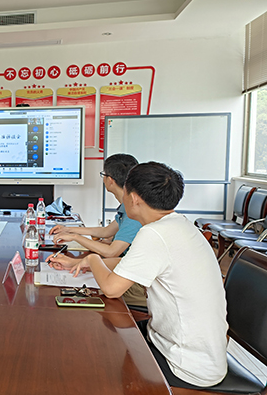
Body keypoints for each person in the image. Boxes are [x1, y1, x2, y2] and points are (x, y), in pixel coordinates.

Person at [47, 162, 227, 388]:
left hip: (184, 364)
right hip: (201, 353)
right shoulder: (178, 225)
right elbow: (131, 264)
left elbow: (111, 289)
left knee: (93, 353)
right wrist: (79, 263)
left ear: (133, 198)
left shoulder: (154, 234)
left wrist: (92, 259)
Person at [49, 153, 145, 307]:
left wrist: (76, 239)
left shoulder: (134, 213)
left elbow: (112, 252)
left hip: (132, 282)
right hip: (125, 271)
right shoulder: (128, 207)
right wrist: (70, 230)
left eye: (103, 175)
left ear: (110, 180)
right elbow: (106, 231)